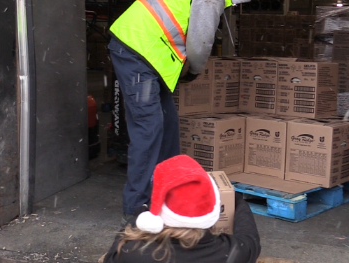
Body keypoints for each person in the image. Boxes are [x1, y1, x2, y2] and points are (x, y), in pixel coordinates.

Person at [108, 0, 251, 226]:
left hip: (149, 50)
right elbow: (200, 41)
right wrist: (194, 69)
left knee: (168, 124)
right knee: (149, 127)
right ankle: (137, 207)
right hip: (137, 47)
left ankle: (168, 191)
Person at [103, 155, 261, 263]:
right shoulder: (231, 253)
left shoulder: (133, 252)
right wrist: (237, 200)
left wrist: (140, 214)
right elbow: (250, 237)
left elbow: (112, 254)